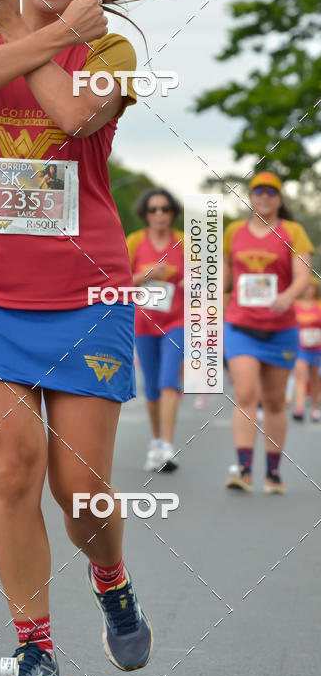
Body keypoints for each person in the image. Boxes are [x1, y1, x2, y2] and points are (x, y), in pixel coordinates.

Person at [0, 0, 186, 676]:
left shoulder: (109, 48)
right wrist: (15, 26)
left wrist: (24, 27)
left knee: (80, 492)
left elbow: (73, 113)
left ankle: (109, 577)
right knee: (13, 469)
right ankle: (33, 649)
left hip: (88, 296)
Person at [223, 172, 314, 494]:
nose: (264, 197)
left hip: (280, 328)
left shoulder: (293, 232)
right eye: (258, 191)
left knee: (275, 402)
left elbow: (303, 275)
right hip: (241, 326)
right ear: (250, 197)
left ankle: (273, 474)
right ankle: (244, 470)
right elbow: (223, 276)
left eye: (271, 192)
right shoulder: (233, 231)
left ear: (279, 198)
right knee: (246, 393)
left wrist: (288, 296)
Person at [126, 189, 184, 472]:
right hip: (144, 322)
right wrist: (147, 274)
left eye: (164, 208)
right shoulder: (135, 241)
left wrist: (193, 283)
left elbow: (206, 277)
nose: (159, 214)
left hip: (176, 321)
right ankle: (156, 440)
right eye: (153, 209)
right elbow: (120, 280)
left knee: (168, 381)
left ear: (173, 212)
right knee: (151, 388)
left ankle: (168, 447)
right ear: (145, 214)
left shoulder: (186, 243)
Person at [292, 276, 321, 422]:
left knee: (315, 378)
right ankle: (299, 408)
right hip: (300, 347)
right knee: (301, 377)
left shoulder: (319, 305)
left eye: (311, 287)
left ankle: (315, 408)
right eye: (306, 287)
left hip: (316, 348)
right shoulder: (295, 305)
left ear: (315, 289)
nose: (309, 290)